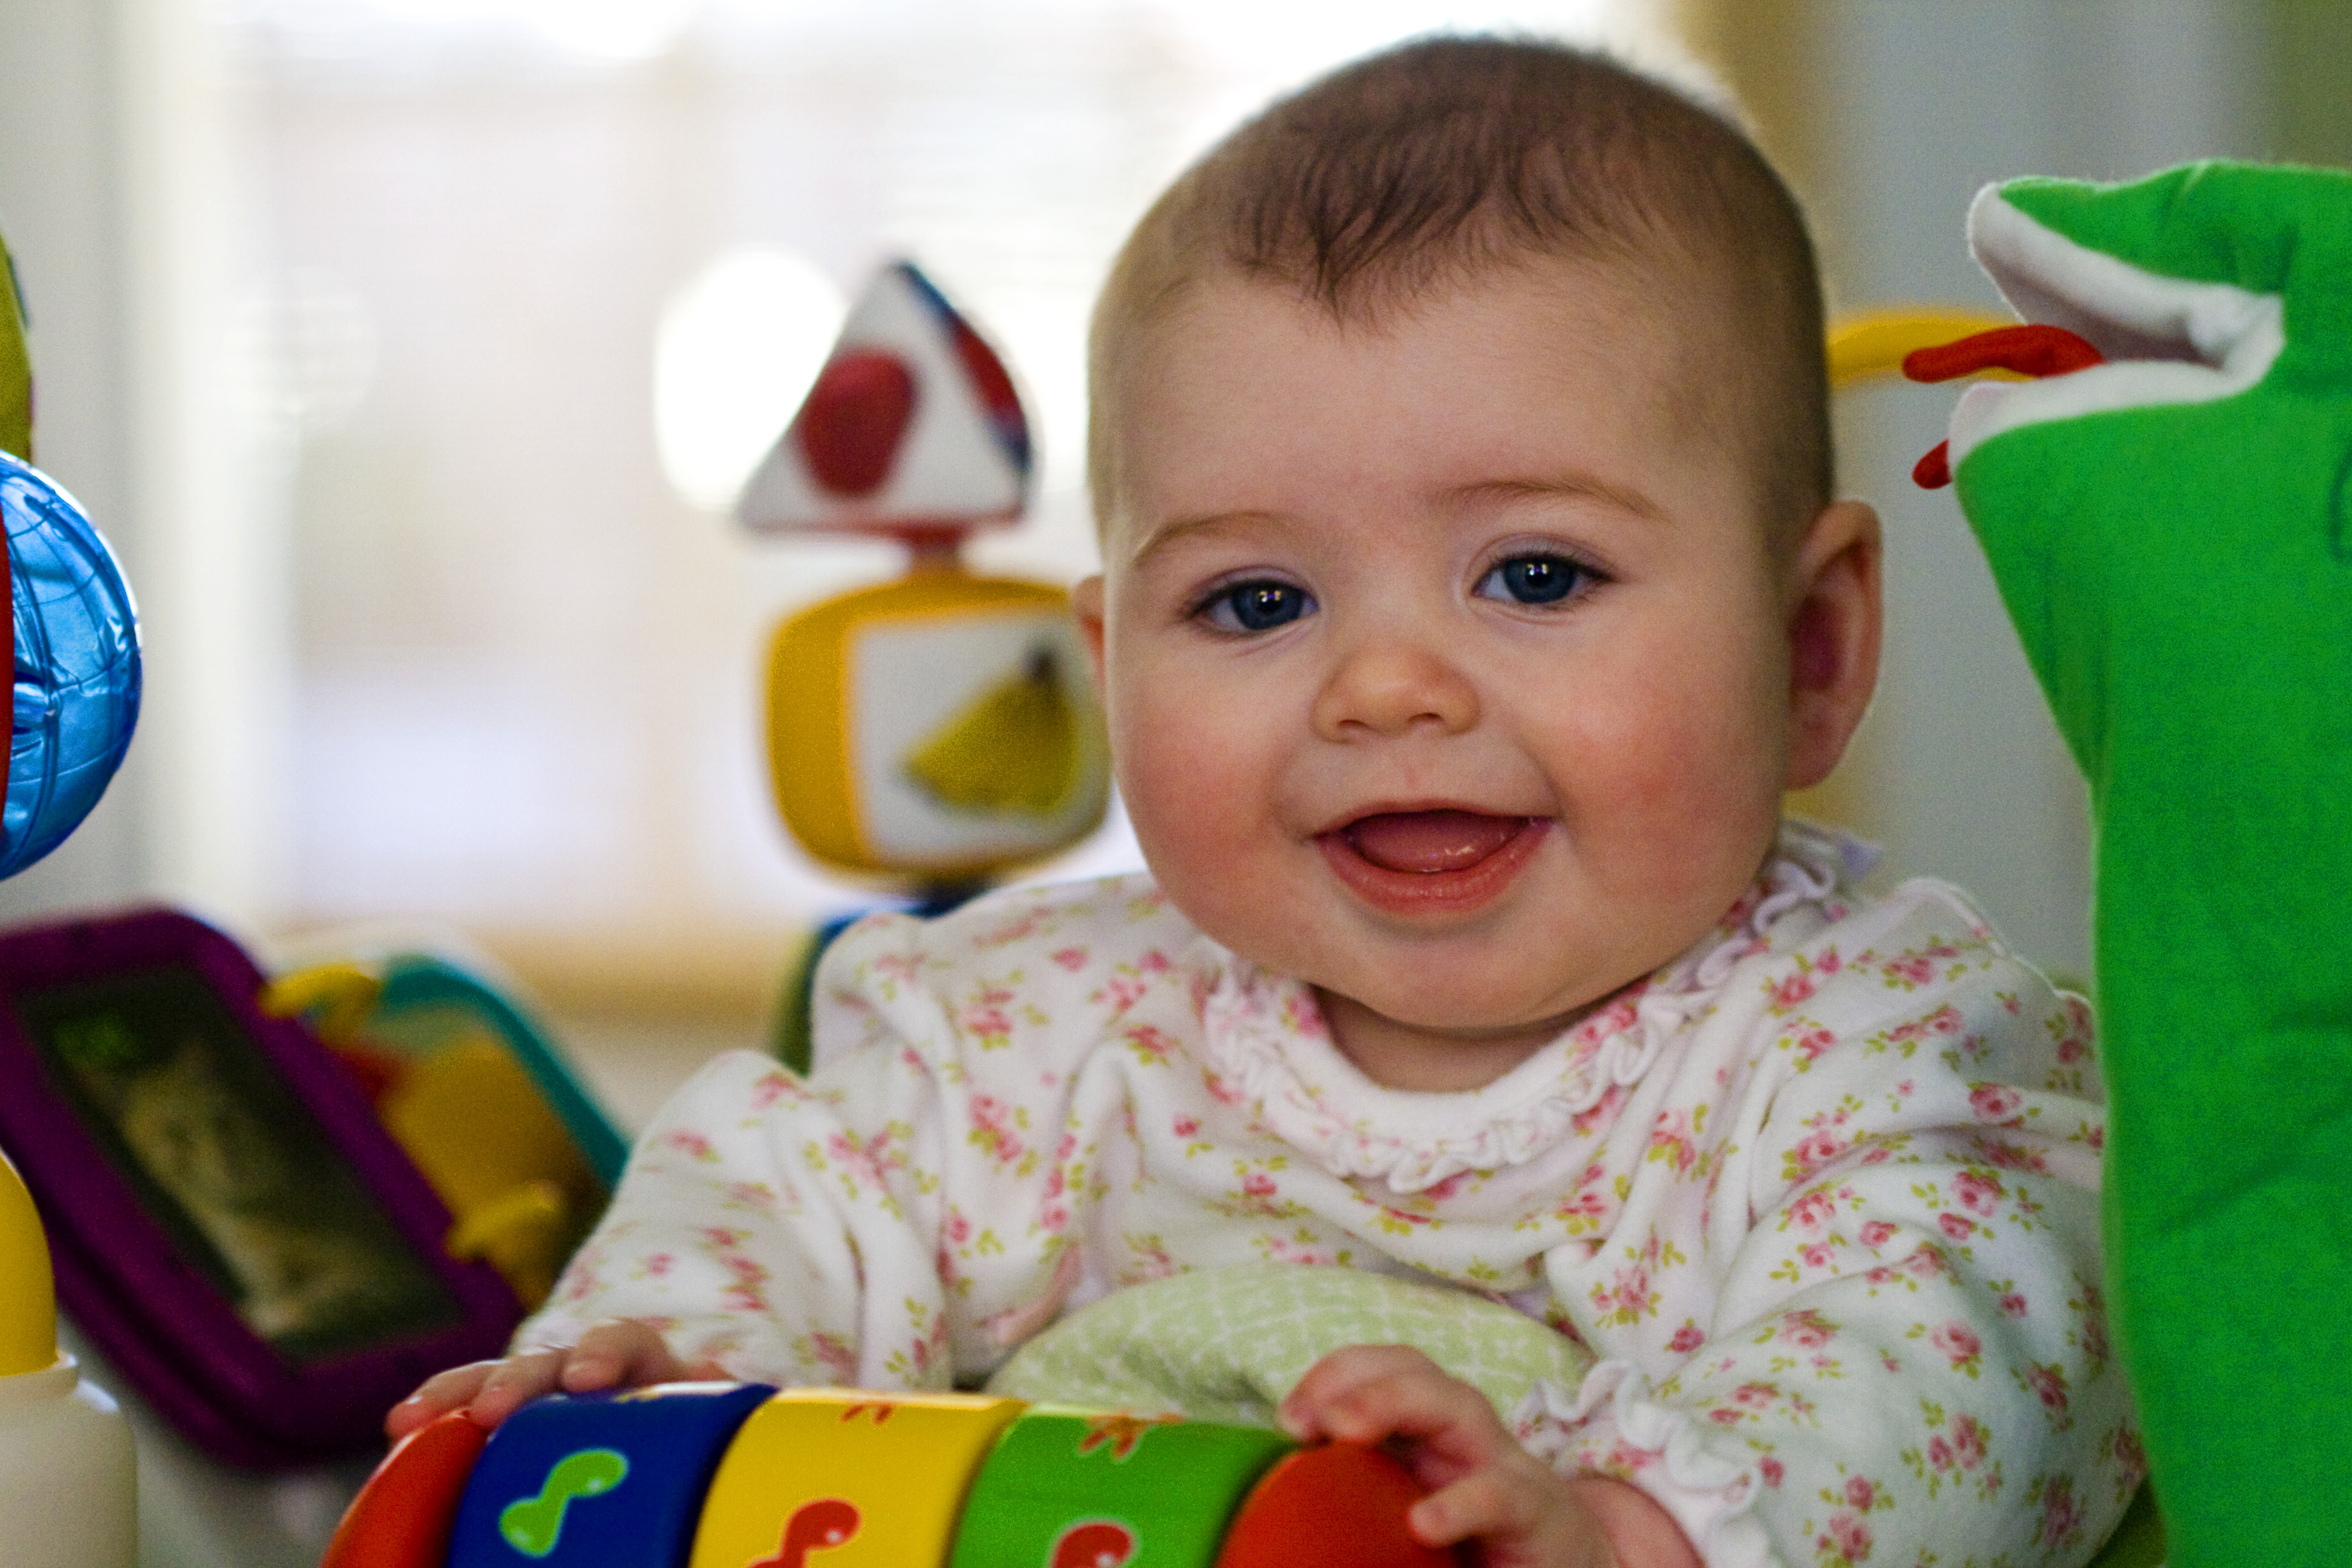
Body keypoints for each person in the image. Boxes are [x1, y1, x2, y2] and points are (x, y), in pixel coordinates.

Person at [393, 37, 2135, 1568]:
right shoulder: (1026, 1032)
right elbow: (790, 1197)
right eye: (1255, 603)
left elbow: (1972, 1351)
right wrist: (670, 1381)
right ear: (1110, 669)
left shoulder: (1876, 1054)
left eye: (1535, 574)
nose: (1384, 688)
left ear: (1811, 646)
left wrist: (1629, 1531)